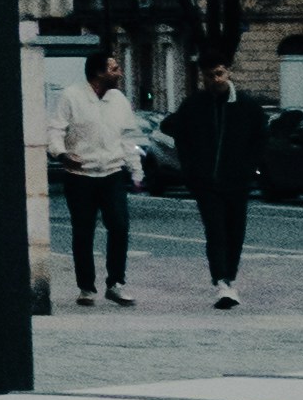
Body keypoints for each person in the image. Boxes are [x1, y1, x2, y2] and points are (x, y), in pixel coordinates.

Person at [166, 46, 265, 316]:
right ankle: (221, 282)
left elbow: (260, 138)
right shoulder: (194, 105)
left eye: (219, 74)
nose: (215, 80)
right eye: (209, 76)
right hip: (205, 182)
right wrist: (191, 169)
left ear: (228, 72)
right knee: (216, 231)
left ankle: (229, 278)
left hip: (237, 181)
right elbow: (176, 132)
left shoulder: (247, 106)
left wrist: (250, 168)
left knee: (235, 232)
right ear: (203, 77)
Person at [47, 39, 143, 303]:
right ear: (99, 73)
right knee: (83, 231)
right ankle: (86, 288)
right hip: (80, 176)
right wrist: (62, 154)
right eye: (114, 68)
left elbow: (127, 137)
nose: (120, 73)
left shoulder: (119, 100)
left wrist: (136, 171)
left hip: (112, 173)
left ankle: (116, 283)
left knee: (120, 226)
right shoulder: (71, 96)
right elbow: (56, 129)